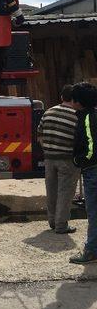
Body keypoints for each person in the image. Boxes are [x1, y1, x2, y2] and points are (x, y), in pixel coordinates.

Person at [38, 85, 80, 233]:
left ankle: (52, 221)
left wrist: (47, 150)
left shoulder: (48, 112)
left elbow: (40, 135)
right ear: (75, 98)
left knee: (52, 190)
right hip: (67, 159)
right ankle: (61, 225)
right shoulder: (77, 115)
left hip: (49, 158)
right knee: (65, 192)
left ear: (62, 97)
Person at [69, 81, 97, 264]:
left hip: (92, 170)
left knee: (93, 212)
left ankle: (92, 251)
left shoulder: (87, 118)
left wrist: (79, 160)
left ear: (79, 101)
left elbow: (91, 147)